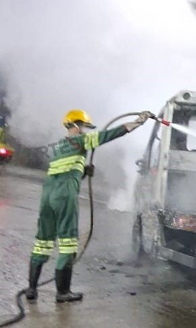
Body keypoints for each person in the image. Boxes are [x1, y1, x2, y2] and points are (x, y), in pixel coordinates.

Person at [26, 109, 153, 303]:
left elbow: (65, 171)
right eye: (84, 126)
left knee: (43, 242)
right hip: (64, 196)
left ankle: (31, 289)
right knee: (68, 243)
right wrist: (139, 121)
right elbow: (109, 135)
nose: (85, 130)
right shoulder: (80, 141)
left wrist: (84, 171)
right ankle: (63, 293)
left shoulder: (58, 146)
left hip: (47, 197)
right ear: (76, 125)